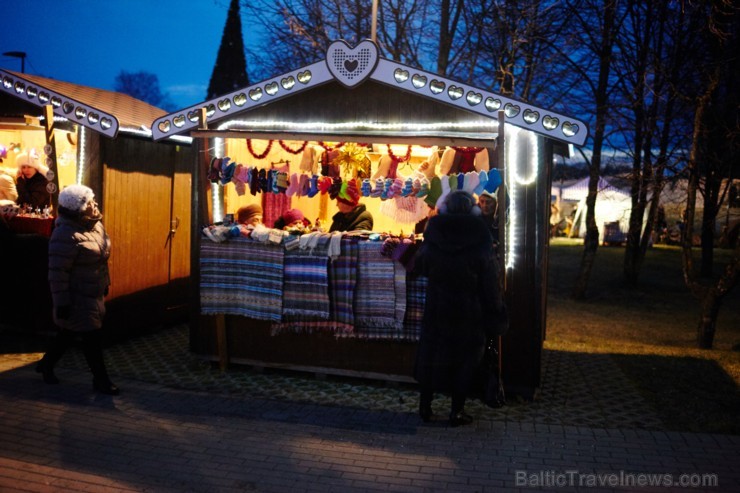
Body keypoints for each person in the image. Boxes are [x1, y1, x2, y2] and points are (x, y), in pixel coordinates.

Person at [413, 190, 506, 427]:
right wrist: (496, 314)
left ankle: (425, 406)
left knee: (432, 357)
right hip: (469, 311)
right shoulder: (479, 235)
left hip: (438, 307)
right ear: (472, 209)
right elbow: (489, 279)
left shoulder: (434, 231)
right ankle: (456, 411)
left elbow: (420, 266)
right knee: (464, 361)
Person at [35, 184, 119, 395]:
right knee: (92, 338)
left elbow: (101, 260)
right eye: (90, 202)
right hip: (77, 294)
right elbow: (57, 272)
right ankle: (101, 380)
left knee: (67, 333)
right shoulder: (65, 234)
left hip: (93, 291)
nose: (95, 204)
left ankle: (46, 365)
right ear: (78, 208)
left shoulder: (95, 225)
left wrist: (105, 282)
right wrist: (61, 303)